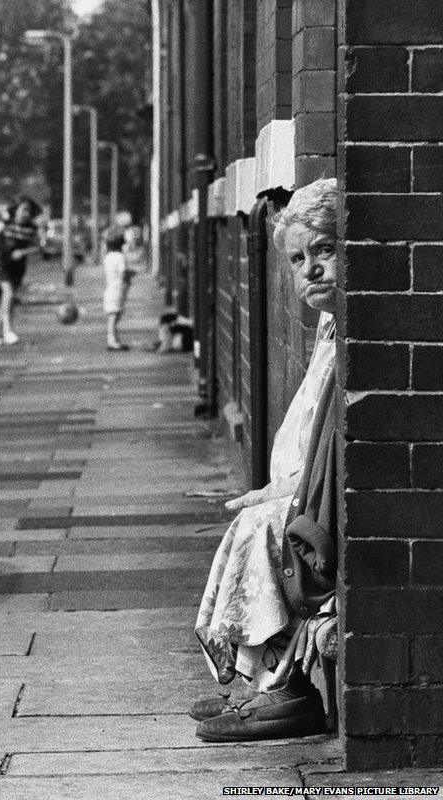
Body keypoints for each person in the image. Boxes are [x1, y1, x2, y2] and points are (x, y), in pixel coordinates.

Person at [190, 178, 339, 743]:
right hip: (306, 492)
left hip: (324, 507)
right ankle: (262, 680)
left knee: (260, 528)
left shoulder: (358, 330)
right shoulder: (329, 326)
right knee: (249, 522)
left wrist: (285, 494)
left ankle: (284, 691)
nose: (311, 270)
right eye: (299, 259)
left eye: (326, 250)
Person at [0, 199, 37, 346]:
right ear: (16, 210)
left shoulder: (31, 228)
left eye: (28, 211)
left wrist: (23, 251)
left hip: (18, 267)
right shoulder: (5, 224)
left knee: (8, 298)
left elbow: (38, 247)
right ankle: (8, 330)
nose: (25, 214)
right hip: (1, 264)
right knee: (8, 293)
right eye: (23, 210)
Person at [103, 228, 134, 351]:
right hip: (118, 289)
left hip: (110, 288)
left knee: (114, 315)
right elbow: (123, 273)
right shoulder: (120, 257)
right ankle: (112, 341)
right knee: (114, 316)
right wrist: (130, 275)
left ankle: (114, 339)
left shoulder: (108, 257)